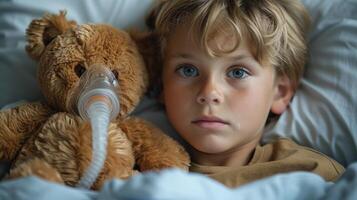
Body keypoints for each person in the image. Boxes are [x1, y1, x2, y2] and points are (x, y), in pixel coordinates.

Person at [145, 0, 345, 188]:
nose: (209, 93)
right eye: (188, 70)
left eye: (237, 72)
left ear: (280, 92)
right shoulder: (134, 165)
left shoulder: (313, 175)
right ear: (161, 83)